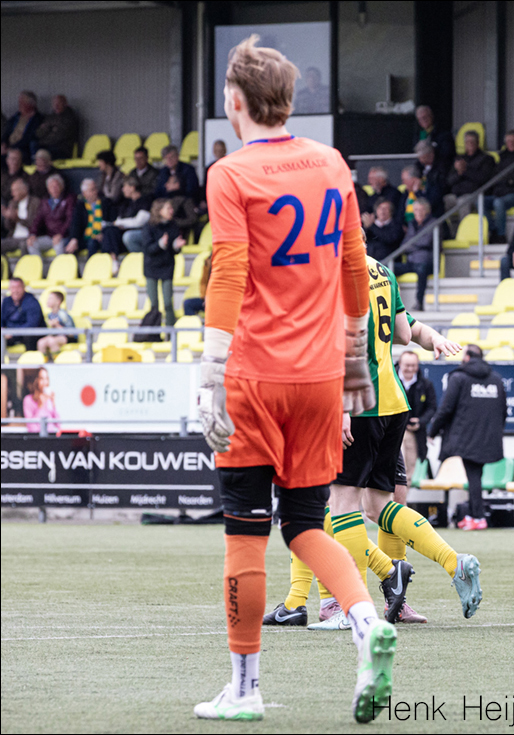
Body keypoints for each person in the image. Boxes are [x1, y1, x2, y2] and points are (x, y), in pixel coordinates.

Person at [194, 35, 397, 723]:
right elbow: (354, 265)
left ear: (235, 101)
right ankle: (366, 622)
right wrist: (355, 359)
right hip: (319, 378)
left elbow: (229, 270)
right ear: (289, 99)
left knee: (245, 534)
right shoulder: (331, 162)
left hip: (253, 375)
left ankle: (244, 688)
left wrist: (211, 368)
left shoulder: (230, 173)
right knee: (309, 524)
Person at [267, 288, 462, 631]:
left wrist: (341, 405)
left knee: (322, 504)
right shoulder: (382, 273)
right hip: (391, 405)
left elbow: (338, 344)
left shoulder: (334, 274)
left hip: (352, 403)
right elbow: (407, 332)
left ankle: (344, 599)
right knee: (380, 506)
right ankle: (416, 579)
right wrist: (434, 338)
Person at [428, 344, 508, 530]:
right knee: (475, 476)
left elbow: (446, 408)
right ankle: (474, 514)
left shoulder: (458, 377)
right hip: (488, 438)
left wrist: (432, 431)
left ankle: (478, 517)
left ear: (466, 357)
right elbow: (503, 412)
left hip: (466, 438)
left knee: (474, 476)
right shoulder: (496, 379)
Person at [141, 198, 184, 326]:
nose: (171, 211)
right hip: (151, 267)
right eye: (168, 208)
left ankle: (170, 332)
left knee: (168, 302)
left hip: (167, 266)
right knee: (154, 304)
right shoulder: (148, 226)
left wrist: (176, 246)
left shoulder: (173, 226)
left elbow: (174, 250)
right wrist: (160, 244)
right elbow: (148, 248)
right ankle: (154, 332)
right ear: (159, 210)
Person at [391, 198, 438, 310]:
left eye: (421, 210)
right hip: (411, 262)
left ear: (427, 211)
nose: (418, 213)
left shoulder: (434, 223)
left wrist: (411, 244)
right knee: (388, 269)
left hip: (427, 262)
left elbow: (426, 242)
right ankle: (392, 302)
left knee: (422, 270)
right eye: (416, 210)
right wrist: (415, 245)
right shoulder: (412, 224)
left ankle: (419, 302)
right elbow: (404, 245)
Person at [397, 351, 436, 478]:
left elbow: (432, 408)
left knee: (408, 470)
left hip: (414, 433)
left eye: (413, 365)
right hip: (393, 429)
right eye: (407, 365)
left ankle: (404, 492)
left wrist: (420, 421)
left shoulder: (426, 384)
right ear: (400, 364)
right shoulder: (390, 381)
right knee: (395, 466)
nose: (410, 369)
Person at [484, 129, 514, 241]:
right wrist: (505, 180)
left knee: (498, 203)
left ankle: (500, 235)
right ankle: (492, 229)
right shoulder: (502, 157)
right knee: (480, 201)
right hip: (500, 193)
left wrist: (504, 181)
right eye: (508, 141)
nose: (511, 143)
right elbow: (495, 178)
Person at [444, 130, 495, 215]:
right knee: (443, 201)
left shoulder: (486, 159)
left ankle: (464, 224)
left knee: (463, 202)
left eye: (472, 141)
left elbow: (483, 178)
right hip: (456, 194)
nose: (470, 144)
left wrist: (465, 170)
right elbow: (449, 181)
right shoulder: (459, 159)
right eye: (467, 142)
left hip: (475, 195)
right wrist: (459, 173)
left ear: (478, 143)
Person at [25, 174, 74, 256]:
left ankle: (60, 265)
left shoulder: (69, 199)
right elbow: (37, 220)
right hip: (50, 236)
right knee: (32, 244)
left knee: (58, 246)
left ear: (62, 187)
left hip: (64, 236)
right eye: (51, 187)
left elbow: (70, 220)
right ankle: (39, 264)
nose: (54, 189)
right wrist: (32, 234)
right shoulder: (45, 202)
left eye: (56, 186)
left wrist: (61, 234)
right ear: (48, 189)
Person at [66, 178, 116, 256]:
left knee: (92, 243)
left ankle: (90, 264)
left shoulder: (106, 203)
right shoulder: (80, 206)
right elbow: (75, 224)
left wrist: (102, 233)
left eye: (95, 189)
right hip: (86, 236)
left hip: (101, 236)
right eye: (92, 190)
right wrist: (74, 239)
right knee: (68, 244)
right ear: (84, 193)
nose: (95, 192)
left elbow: (111, 222)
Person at [103, 176, 153, 254]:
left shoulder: (145, 201)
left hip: (141, 232)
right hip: (124, 231)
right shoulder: (126, 203)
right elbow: (118, 219)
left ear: (132, 188)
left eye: (124, 186)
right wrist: (119, 223)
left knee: (128, 236)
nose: (123, 190)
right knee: (109, 231)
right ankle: (113, 258)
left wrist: (121, 223)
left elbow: (138, 222)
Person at [2, 277, 44, 351]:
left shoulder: (32, 301)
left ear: (24, 288)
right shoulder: (6, 301)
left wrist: (13, 333)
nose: (15, 291)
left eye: (18, 287)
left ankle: (30, 358)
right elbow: (2, 320)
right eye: (13, 288)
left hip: (28, 334)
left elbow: (32, 324)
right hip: (10, 334)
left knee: (29, 336)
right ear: (9, 289)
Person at [34, 95, 79, 161]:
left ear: (65, 104)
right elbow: (38, 133)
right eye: (54, 104)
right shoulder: (51, 117)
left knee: (42, 153)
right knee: (33, 145)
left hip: (62, 149)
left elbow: (58, 136)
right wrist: (51, 129)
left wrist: (46, 130)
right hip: (47, 146)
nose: (56, 106)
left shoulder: (69, 118)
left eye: (59, 103)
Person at [1, 178, 38, 257]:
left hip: (28, 237)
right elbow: (8, 227)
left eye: (15, 191)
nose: (12, 194)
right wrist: (8, 218)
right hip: (14, 237)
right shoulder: (12, 203)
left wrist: (17, 218)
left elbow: (33, 224)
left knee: (24, 245)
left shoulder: (34, 203)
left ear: (24, 190)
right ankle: (6, 265)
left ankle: (25, 265)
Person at [414, 105, 455, 170]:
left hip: (439, 167)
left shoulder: (443, 132)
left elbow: (447, 153)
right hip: (423, 167)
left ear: (431, 116)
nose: (423, 120)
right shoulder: (420, 134)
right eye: (420, 119)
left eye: (425, 117)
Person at [2, 91, 41, 158]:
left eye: (22, 102)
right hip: (8, 147)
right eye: (19, 102)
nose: (19, 104)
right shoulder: (15, 117)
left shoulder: (37, 119)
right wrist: (3, 143)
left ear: (31, 104)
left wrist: (11, 149)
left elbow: (30, 137)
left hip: (22, 148)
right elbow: (6, 132)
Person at [36, 290, 74, 358]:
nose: (48, 301)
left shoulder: (63, 314)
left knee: (52, 341)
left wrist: (57, 325)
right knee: (41, 342)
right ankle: (43, 362)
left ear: (58, 301)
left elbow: (71, 333)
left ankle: (57, 361)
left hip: (66, 337)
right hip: (54, 336)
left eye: (50, 299)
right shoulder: (49, 315)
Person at [414, 142, 448, 216]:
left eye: (422, 157)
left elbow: (436, 194)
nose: (420, 159)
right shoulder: (419, 167)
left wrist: (417, 192)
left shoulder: (440, 167)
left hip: (435, 199)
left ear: (431, 154)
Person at [22, 368, 58, 434]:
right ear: (36, 380)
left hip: (51, 436)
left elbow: (58, 425)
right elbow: (31, 428)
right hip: (36, 438)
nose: (45, 382)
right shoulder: (28, 400)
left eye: (46, 378)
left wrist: (53, 404)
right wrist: (40, 406)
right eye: (42, 378)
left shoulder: (49, 400)